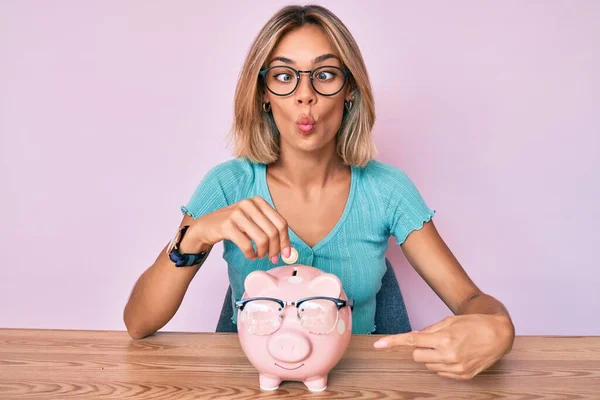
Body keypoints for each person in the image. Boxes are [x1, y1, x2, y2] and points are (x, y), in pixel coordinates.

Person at [123, 4, 515, 380]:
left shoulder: (388, 190)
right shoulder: (227, 185)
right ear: (263, 94)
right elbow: (138, 322)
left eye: (325, 75)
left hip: (362, 386)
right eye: (284, 76)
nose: (304, 94)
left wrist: (499, 329)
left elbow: (470, 300)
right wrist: (198, 233)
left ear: (350, 90)